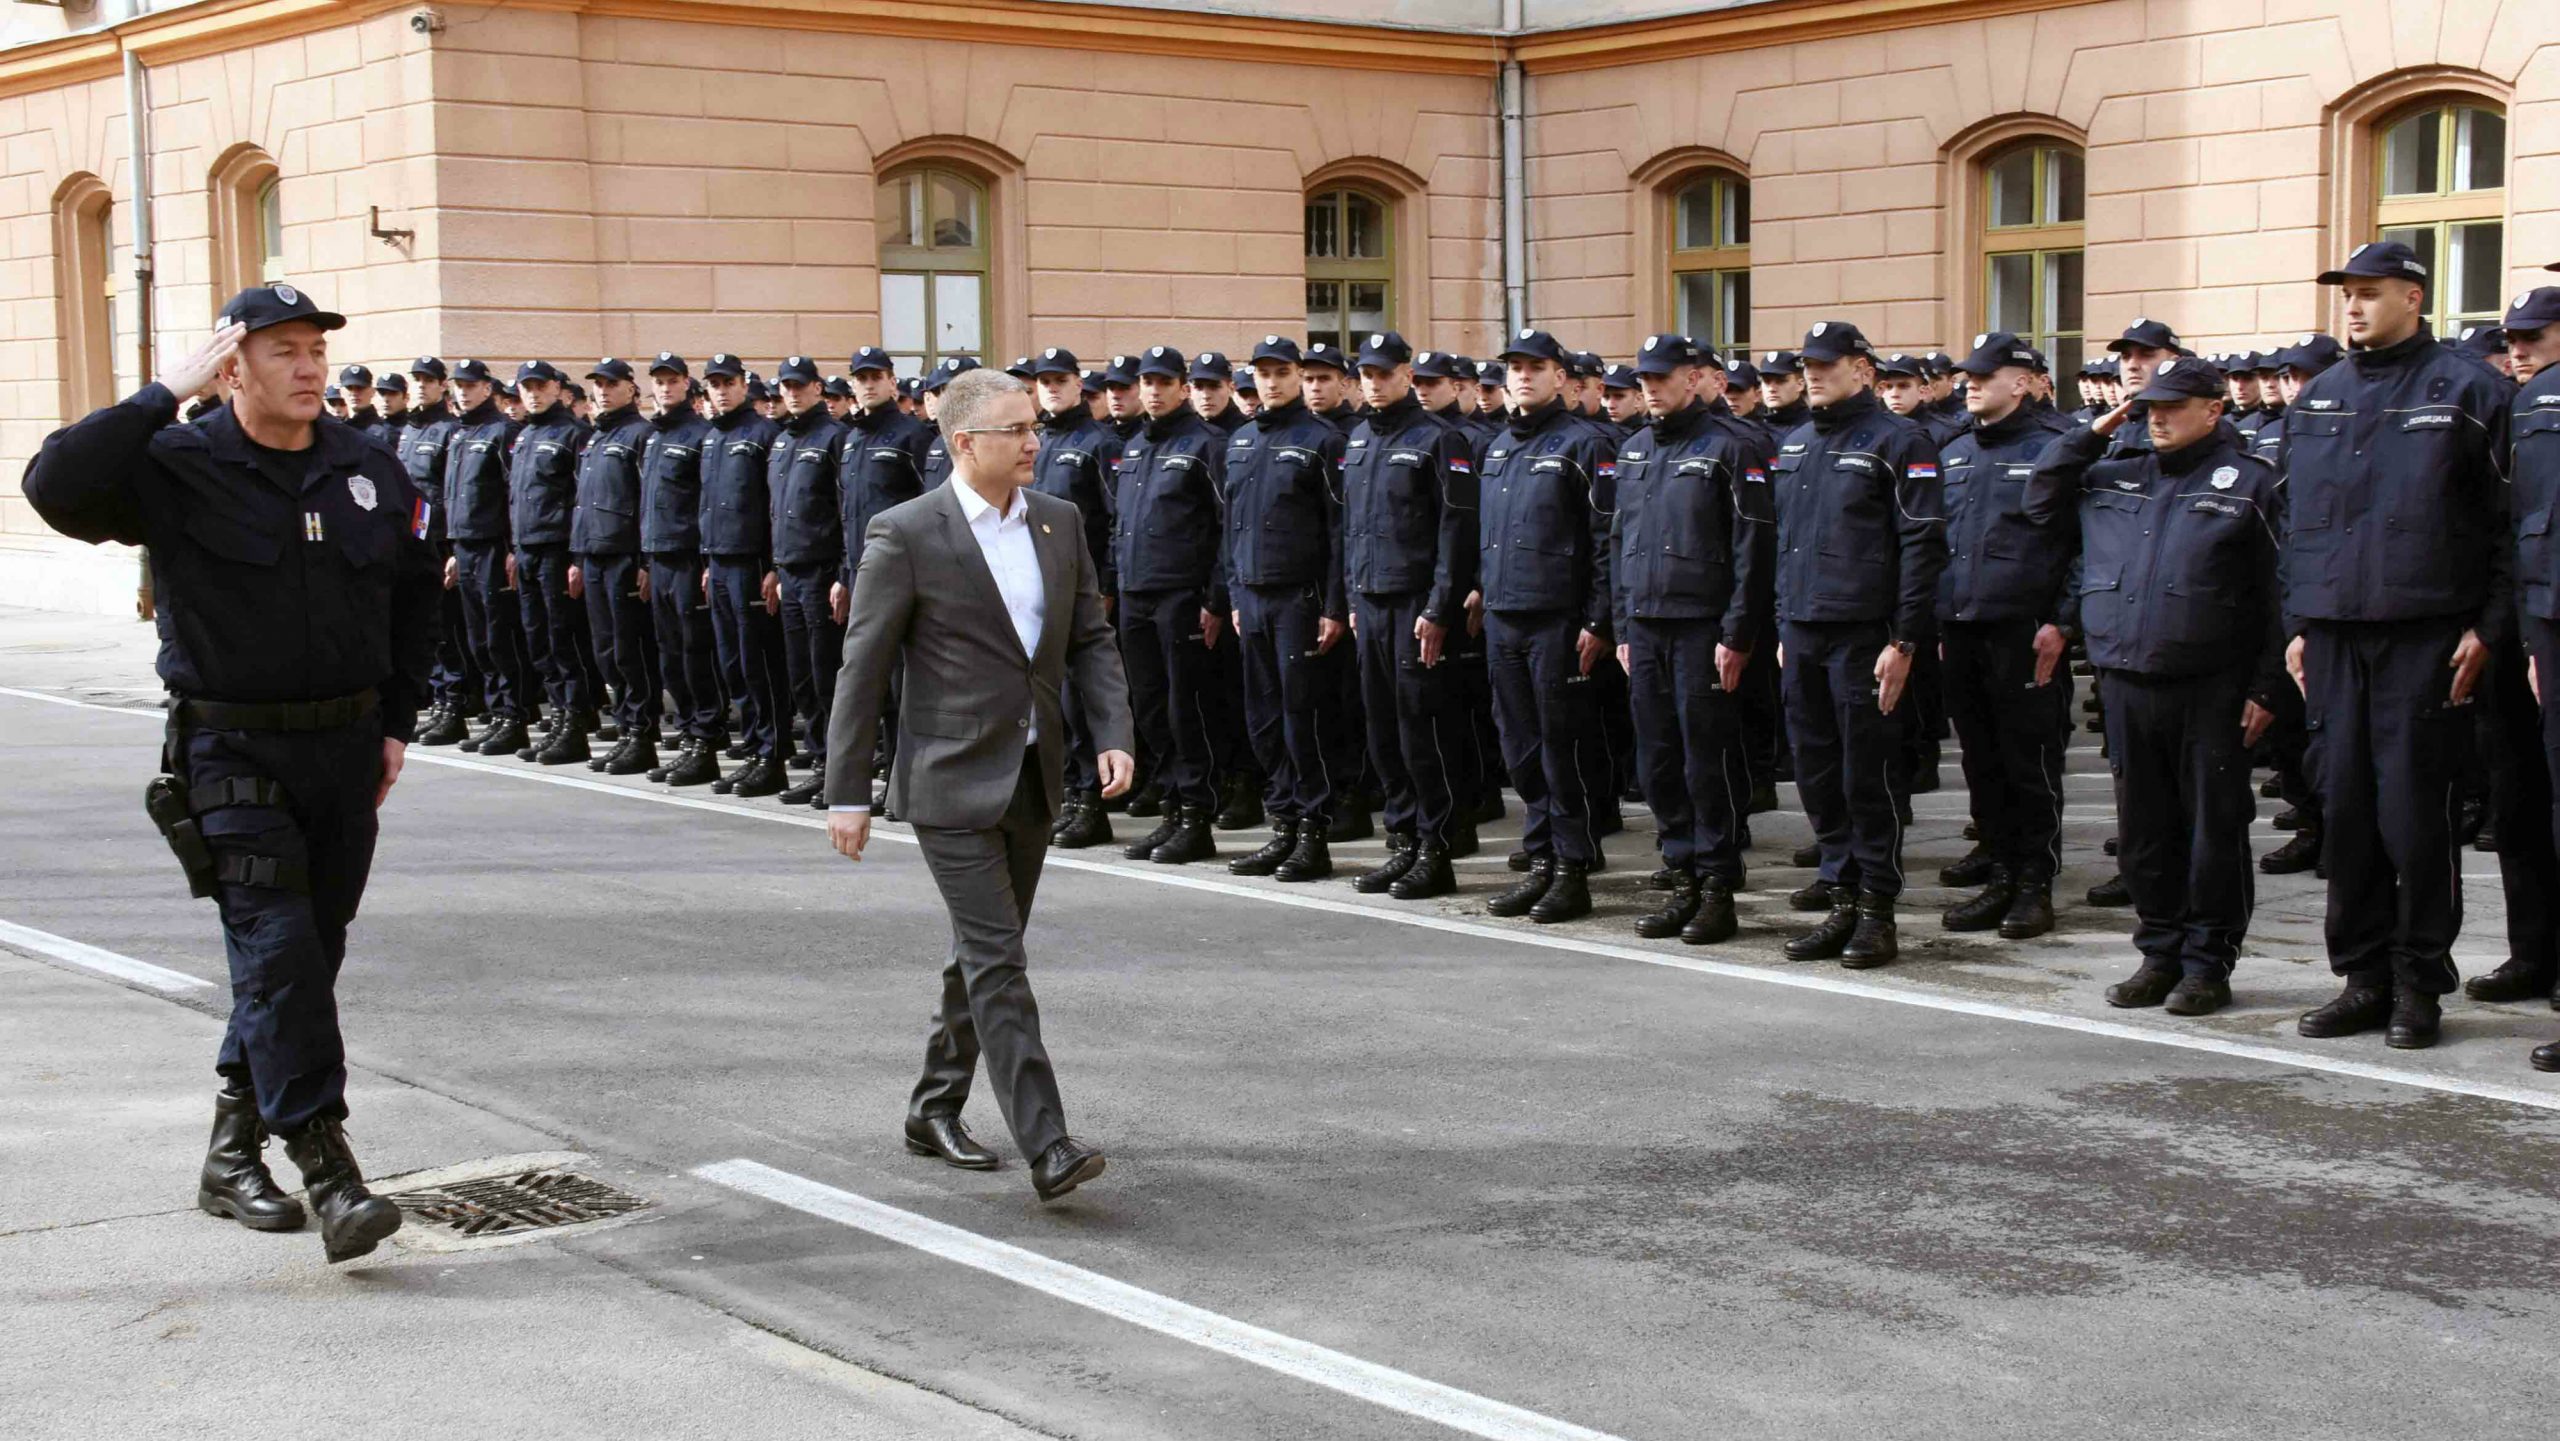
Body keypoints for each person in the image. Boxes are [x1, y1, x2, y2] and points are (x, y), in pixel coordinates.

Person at [24, 285, 437, 1264]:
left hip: (342, 752)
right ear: (232, 367)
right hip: (229, 748)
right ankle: (331, 1173)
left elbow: (416, 599)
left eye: (314, 351)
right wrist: (160, 393)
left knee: (304, 958)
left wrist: (394, 723)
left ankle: (227, 1153)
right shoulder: (177, 464)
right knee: (278, 945)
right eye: (282, 350)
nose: (306, 367)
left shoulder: (366, 470)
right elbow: (54, 486)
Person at [824, 366, 1135, 1203]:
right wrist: (847, 789)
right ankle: (1049, 1141)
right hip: (947, 779)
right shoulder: (906, 532)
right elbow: (864, 668)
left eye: (1036, 426)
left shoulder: (1059, 523)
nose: (1036, 441)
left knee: (980, 953)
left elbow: (1090, 641)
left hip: (1033, 776)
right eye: (1017, 430)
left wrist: (1113, 733)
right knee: (1000, 959)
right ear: (965, 442)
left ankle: (932, 1107)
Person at [2283, 240, 2513, 1050]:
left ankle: (2420, 982)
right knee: (2345, 811)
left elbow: (2507, 526)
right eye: (2346, 293)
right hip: (2336, 635)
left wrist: (2488, 625)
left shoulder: (2470, 390)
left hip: (2426, 635)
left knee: (2416, 815)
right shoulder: (2319, 397)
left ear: (2413, 298)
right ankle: (2363, 976)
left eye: (2370, 293)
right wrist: (2299, 625)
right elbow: (2293, 523)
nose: (2352, 306)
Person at [2027, 358, 2284, 1016]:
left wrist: (2266, 686)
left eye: (2173, 405)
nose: (2158, 417)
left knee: (2212, 829)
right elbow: (2039, 496)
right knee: (2145, 832)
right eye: (2148, 406)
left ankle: (2207, 961)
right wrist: (2099, 427)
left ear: (2213, 408)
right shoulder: (2117, 470)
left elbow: (2277, 594)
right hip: (2128, 677)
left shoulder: (2251, 482)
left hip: (2213, 683)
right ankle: (2159, 949)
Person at [1767, 321, 1945, 966]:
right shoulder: (1794, 445)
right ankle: (1842, 898)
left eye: (1828, 363)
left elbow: (1921, 544)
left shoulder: (1900, 441)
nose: (1813, 373)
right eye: (1807, 364)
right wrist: (1785, 622)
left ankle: (1876, 910)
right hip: (1805, 631)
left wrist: (1904, 641)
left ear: (1862, 369)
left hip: (1864, 635)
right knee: (1816, 773)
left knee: (1867, 776)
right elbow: (1782, 546)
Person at [1610, 334, 1771, 944]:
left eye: (1663, 376)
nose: (1651, 387)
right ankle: (1681, 873)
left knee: (1708, 759)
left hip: (1703, 628)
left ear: (1697, 378)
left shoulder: (1730, 447)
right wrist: (1622, 626)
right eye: (1644, 378)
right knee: (1657, 760)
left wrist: (1737, 632)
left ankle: (1717, 886)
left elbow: (1751, 548)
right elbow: (1617, 544)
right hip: (1647, 627)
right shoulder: (1633, 451)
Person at [1931, 332, 2076, 939]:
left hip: (2025, 632)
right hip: (1962, 629)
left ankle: (2033, 884)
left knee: (2029, 763)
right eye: (1968, 374)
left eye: (1984, 375)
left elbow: (2080, 546)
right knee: (1983, 761)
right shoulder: (1955, 450)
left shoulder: (2056, 448)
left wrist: (2061, 622)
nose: (1970, 383)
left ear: (2020, 382)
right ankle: (1999, 873)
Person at [1477, 328, 1617, 923]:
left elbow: (1606, 539)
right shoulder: (1500, 446)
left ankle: (1572, 868)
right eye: (1515, 367)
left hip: (1559, 620)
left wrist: (1598, 620)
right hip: (1505, 617)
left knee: (1564, 751)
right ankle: (1541, 860)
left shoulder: (1584, 445)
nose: (1523, 376)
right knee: (1521, 749)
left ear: (1561, 376)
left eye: (1536, 367)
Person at [1342, 333, 1481, 899]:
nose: (1375, 384)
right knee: (1383, 732)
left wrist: (1440, 608)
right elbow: (1349, 527)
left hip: (1416, 605)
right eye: (1367, 375)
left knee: (1424, 732)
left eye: (1385, 374)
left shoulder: (1437, 439)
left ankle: (1438, 848)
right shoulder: (1357, 440)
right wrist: (1350, 599)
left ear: (1405, 375)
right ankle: (1402, 842)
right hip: (1371, 601)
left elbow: (1457, 530)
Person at [1220, 335, 1354, 880]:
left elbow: (1339, 530)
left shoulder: (1321, 440)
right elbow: (1230, 525)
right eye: (1262, 373)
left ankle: (1314, 833)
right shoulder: (1242, 439)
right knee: (1264, 721)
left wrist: (1333, 606)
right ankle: (1284, 824)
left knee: (1304, 721)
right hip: (1250, 597)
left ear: (1298, 375)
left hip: (1300, 598)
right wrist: (1232, 593)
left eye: (1281, 372)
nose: (1270, 382)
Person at [1112, 346, 1231, 864]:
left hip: (1183, 596)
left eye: (1165, 383)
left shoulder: (1207, 445)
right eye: (1148, 383)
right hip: (1136, 594)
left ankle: (1197, 816)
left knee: (1188, 711)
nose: (1154, 392)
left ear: (1183, 388)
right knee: (1151, 707)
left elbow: (1227, 527)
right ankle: (1170, 808)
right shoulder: (1136, 446)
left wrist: (1215, 598)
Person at [2493, 285, 2560, 1069]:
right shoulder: (2523, 401)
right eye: (2511, 336)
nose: (2519, 347)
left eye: (2533, 334)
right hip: (2520, 617)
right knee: (2518, 799)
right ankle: (2534, 952)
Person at [697, 352, 792, 798]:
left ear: (743, 385)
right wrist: (705, 559)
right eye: (714, 384)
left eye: (728, 382)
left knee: (759, 664)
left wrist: (773, 566)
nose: (721, 390)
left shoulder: (763, 435)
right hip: (718, 560)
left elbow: (775, 507)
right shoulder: (712, 438)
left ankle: (772, 754)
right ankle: (752, 747)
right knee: (732, 661)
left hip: (751, 564)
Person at [764, 355, 852, 806]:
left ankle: (836, 768)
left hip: (821, 574)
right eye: (786, 387)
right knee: (801, 676)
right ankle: (818, 759)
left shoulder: (835, 438)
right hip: (790, 572)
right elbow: (776, 512)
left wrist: (842, 574)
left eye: (801, 386)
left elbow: (844, 513)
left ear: (818, 389)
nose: (793, 394)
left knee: (826, 677)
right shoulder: (782, 442)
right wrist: (776, 569)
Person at [636, 352, 726, 787]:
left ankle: (705, 740)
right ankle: (688, 733)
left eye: (673, 381)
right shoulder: (654, 438)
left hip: (689, 557)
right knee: (671, 655)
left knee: (695, 654)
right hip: (659, 557)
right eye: (659, 381)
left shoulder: (700, 436)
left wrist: (706, 560)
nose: (665, 388)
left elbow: (707, 502)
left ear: (688, 385)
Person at [570, 358, 661, 776]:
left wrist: (643, 561)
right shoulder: (595, 438)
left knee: (630, 651)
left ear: (631, 389)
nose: (603, 391)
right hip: (593, 553)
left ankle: (641, 734)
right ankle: (624, 728)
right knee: (606, 650)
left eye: (612, 384)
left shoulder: (640, 435)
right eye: (598, 385)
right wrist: (577, 554)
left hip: (624, 555)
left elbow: (647, 503)